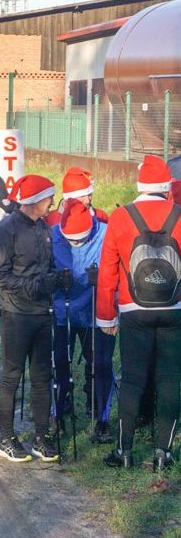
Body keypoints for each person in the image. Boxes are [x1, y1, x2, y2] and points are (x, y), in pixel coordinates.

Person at [98, 156, 181, 472]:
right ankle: (164, 452)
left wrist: (106, 316)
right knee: (170, 379)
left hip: (133, 308)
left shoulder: (121, 216)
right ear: (166, 185)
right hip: (174, 308)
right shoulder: (178, 214)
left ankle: (125, 451)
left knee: (133, 380)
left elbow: (108, 269)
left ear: (139, 184)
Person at [0, 174, 66, 464]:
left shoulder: (43, 227)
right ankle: (7, 439)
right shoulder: (5, 230)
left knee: (41, 377)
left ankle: (41, 437)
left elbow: (45, 266)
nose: (52, 203)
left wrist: (59, 279)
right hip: (15, 313)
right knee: (11, 375)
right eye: (49, 197)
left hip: (43, 312)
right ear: (35, 200)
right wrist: (32, 286)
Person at [51, 198, 114, 444]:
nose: (75, 243)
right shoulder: (52, 235)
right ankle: (57, 413)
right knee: (59, 365)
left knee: (100, 365)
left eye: (81, 239)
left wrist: (104, 279)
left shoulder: (106, 233)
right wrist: (54, 279)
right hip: (61, 310)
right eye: (70, 239)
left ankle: (102, 419)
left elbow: (119, 268)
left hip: (96, 310)